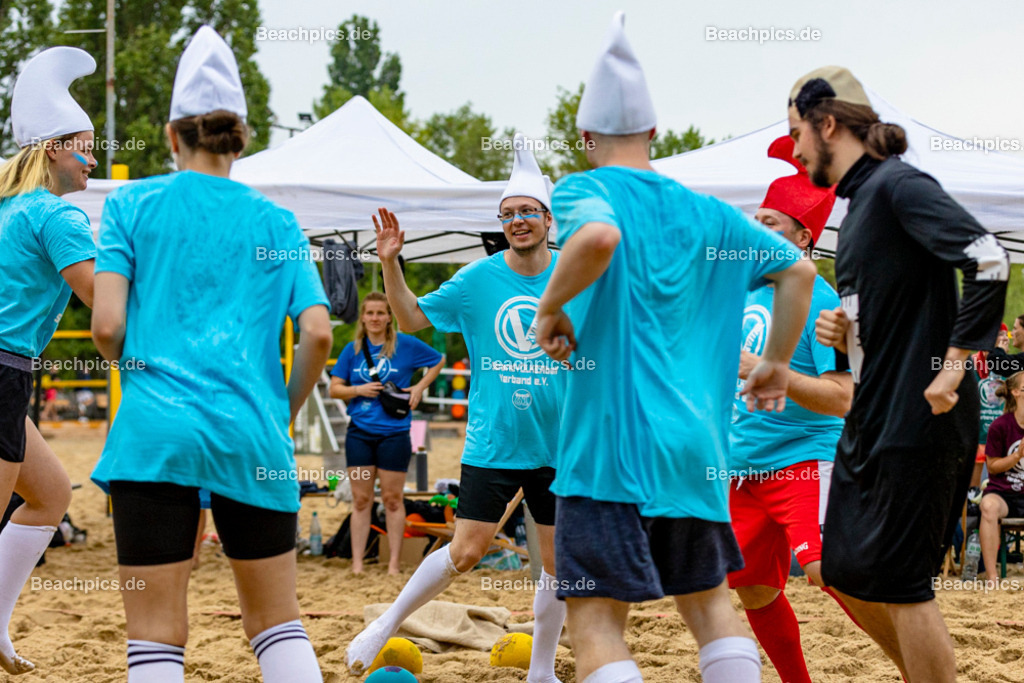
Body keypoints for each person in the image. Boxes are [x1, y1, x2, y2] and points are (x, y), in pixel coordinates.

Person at [535, 13, 817, 683]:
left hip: (608, 450)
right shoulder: (713, 213)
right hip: (698, 453)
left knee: (597, 618)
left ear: (585, 136)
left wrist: (548, 306)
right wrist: (776, 362)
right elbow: (799, 273)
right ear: (655, 132)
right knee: (711, 607)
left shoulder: (586, 188)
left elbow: (598, 239)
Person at [89, 27, 332, 683]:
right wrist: (279, 409)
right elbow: (317, 334)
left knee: (155, 638)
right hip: (251, 432)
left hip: (154, 434)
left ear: (173, 136)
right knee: (278, 626)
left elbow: (106, 326)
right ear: (238, 137)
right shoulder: (277, 222)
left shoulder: (131, 203)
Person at [793, 65, 1010, 682]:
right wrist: (847, 331)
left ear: (828, 124)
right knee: (844, 571)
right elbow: (899, 312)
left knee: (904, 584)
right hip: (874, 415)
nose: (798, 149)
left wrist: (954, 365)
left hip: (922, 416)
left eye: (799, 134)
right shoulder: (859, 206)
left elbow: (989, 259)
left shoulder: (896, 185)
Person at [347, 134, 568, 683]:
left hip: (564, 445)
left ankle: (542, 672)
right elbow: (414, 320)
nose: (518, 221)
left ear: (548, 219)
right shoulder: (477, 279)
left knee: (559, 567)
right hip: (494, 442)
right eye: (508, 214)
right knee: (466, 551)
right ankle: (388, 623)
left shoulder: (576, 273)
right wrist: (391, 265)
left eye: (528, 212)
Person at [727, 135, 854, 683]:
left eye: (769, 223)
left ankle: (918, 665)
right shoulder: (745, 292)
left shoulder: (820, 299)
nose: (754, 231)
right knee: (753, 587)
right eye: (753, 220)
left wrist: (767, 369)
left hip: (805, 458)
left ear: (802, 237)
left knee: (831, 573)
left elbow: (843, 398)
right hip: (741, 467)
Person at [0, 45, 98, 674]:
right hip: (5, 372)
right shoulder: (57, 213)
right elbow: (103, 302)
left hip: (10, 371)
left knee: (52, 493)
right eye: (87, 145)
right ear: (56, 147)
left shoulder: (10, 208)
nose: (95, 158)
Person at [329, 292, 445, 574]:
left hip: (395, 433)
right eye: (369, 313)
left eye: (381, 313)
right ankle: (356, 563)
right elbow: (334, 388)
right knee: (361, 500)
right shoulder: (352, 350)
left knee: (393, 500)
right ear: (363, 317)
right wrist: (358, 390)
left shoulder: (405, 345)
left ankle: (393, 563)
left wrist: (419, 387)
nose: (375, 318)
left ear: (389, 317)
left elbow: (438, 360)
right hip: (359, 433)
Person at [979, 372, 1024, 585]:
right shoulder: (1000, 425)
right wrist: (1017, 456)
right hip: (1004, 493)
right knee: (988, 506)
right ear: (1016, 393)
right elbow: (993, 467)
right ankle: (992, 577)